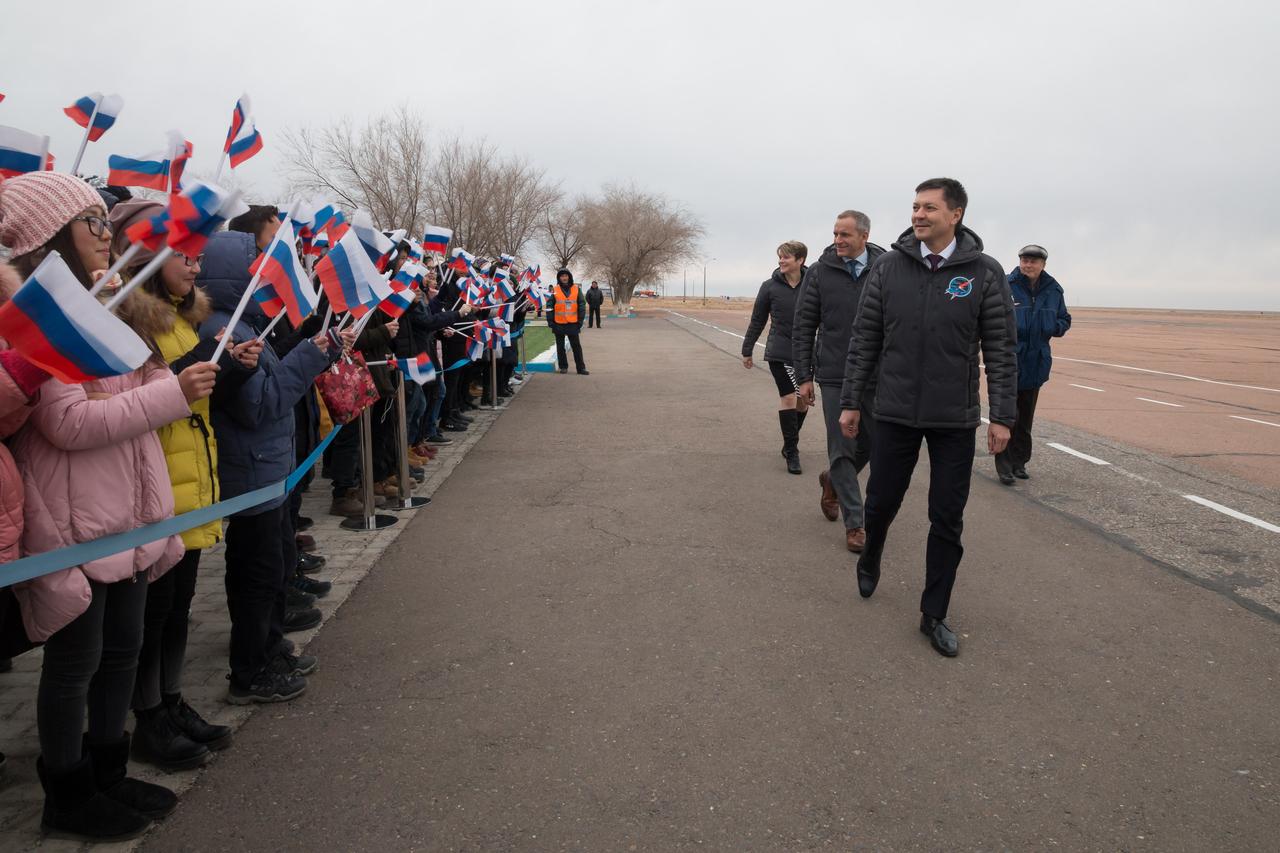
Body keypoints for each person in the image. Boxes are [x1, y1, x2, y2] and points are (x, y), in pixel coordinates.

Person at [0, 171, 218, 840]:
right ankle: (67, 790)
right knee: (78, 660)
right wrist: (169, 393)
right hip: (76, 521)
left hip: (127, 510)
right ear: (48, 239)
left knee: (123, 647)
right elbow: (69, 423)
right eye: (92, 223)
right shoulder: (39, 322)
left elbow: (132, 392)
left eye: (104, 221)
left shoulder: (112, 302)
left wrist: (156, 383)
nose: (106, 235)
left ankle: (108, 768)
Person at [107, 200, 259, 770]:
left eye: (199, 259)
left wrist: (231, 366)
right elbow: (135, 396)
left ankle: (170, 702)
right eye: (184, 258)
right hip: (159, 480)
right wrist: (188, 371)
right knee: (152, 611)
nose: (195, 268)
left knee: (177, 606)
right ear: (148, 256)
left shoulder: (180, 318)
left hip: (193, 471)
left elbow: (190, 391)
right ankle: (148, 717)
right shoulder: (127, 317)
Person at [838, 177, 1017, 658]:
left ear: (955, 214)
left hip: (954, 419)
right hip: (893, 411)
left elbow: (1001, 349)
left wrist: (1003, 416)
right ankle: (871, 553)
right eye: (915, 207)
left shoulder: (984, 273)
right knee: (880, 505)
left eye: (929, 208)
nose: (918, 215)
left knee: (946, 517)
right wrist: (852, 402)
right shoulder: (889, 269)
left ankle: (933, 613)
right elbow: (864, 339)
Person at [196, 230, 337, 704]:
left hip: (271, 470)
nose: (264, 276)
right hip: (252, 473)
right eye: (255, 267)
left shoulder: (247, 324)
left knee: (274, 567)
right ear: (234, 275)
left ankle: (271, 649)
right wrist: (311, 355)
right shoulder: (222, 329)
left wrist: (315, 347)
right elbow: (261, 405)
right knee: (256, 575)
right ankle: (250, 670)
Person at [793, 212, 886, 551]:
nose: (838, 240)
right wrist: (804, 377)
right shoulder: (820, 271)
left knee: (874, 445)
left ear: (865, 235)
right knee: (842, 445)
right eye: (835, 233)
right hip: (834, 373)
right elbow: (804, 326)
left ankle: (832, 480)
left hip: (878, 375)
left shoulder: (887, 267)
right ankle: (855, 524)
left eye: (845, 234)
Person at [995, 244, 1071, 485]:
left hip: (1036, 361)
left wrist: (1053, 327)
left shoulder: (1053, 289)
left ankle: (1020, 463)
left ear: (1043, 265)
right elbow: (992, 315)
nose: (1028, 265)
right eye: (1025, 260)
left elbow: (1064, 319)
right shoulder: (1006, 285)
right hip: (1009, 360)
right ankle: (1004, 466)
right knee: (1008, 416)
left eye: (1033, 261)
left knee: (1025, 418)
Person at [743, 240, 810, 474]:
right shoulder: (769, 286)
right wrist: (747, 349)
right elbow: (758, 320)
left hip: (805, 354)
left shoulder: (813, 285)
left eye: (786, 257)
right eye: (779, 257)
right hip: (779, 352)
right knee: (790, 397)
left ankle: (789, 442)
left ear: (800, 260)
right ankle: (792, 453)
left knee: (803, 401)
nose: (781, 260)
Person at [547, 269, 589, 375]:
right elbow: (549, 306)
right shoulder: (555, 290)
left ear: (569, 277)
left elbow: (582, 305)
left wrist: (580, 321)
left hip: (573, 323)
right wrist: (550, 322)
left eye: (566, 276)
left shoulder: (576, 289)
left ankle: (581, 368)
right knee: (560, 347)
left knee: (576, 347)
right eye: (562, 276)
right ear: (559, 278)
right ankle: (563, 367)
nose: (564, 278)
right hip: (558, 323)